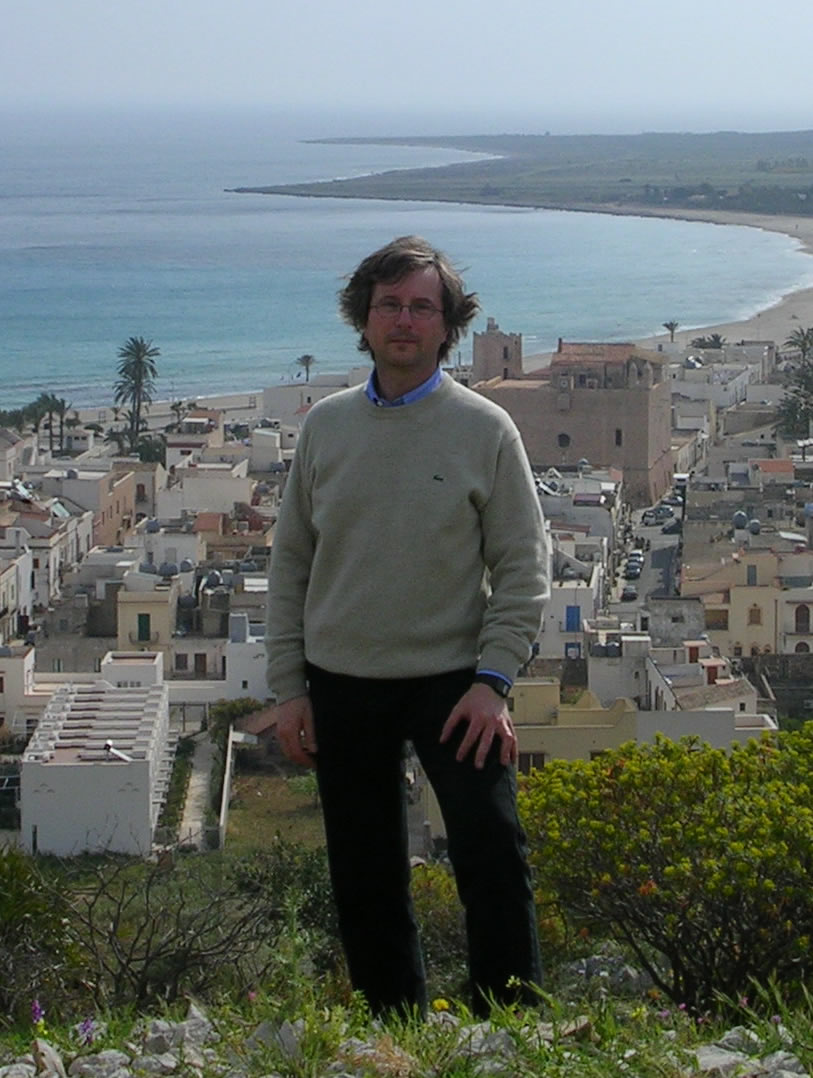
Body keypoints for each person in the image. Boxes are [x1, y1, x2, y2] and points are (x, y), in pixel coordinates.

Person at [265, 235, 549, 1017]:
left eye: (421, 306)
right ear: (362, 319)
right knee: (364, 868)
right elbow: (290, 564)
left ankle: (510, 1029)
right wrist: (290, 689)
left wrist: (494, 681)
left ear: (447, 325)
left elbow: (525, 567)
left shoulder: (485, 430)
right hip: (341, 680)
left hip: (455, 682)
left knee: (491, 852)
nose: (402, 320)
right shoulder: (325, 428)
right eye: (387, 304)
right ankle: (395, 1030)